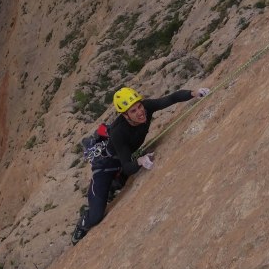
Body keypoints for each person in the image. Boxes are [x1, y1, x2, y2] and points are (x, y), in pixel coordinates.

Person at [71, 84, 209, 244]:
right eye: (133, 111)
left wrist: (193, 93)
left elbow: (170, 98)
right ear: (125, 115)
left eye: (139, 106)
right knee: (96, 216)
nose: (140, 112)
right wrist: (140, 161)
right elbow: (127, 166)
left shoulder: (146, 107)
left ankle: (115, 185)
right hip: (106, 166)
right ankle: (82, 224)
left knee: (120, 182)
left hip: (124, 157)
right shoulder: (118, 132)